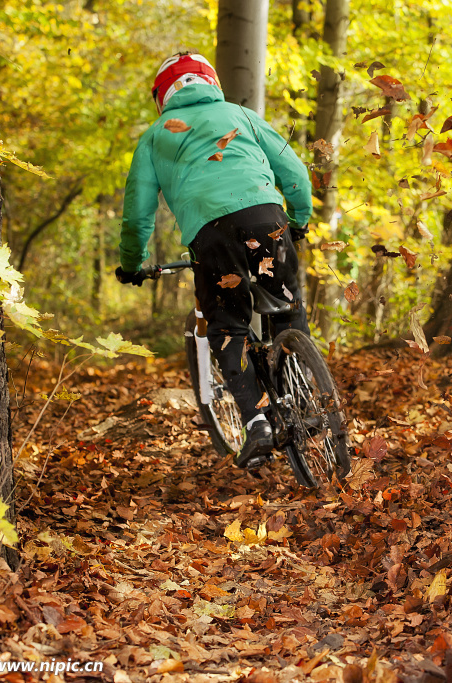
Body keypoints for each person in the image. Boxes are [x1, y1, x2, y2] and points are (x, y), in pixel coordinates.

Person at [115, 53, 312, 469]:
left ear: (162, 96)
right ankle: (306, 397)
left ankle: (256, 421)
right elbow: (293, 170)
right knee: (287, 307)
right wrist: (299, 220)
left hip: (213, 236)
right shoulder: (240, 115)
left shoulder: (155, 136)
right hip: (267, 219)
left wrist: (133, 263)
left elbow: (138, 213)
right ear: (212, 81)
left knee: (227, 326)